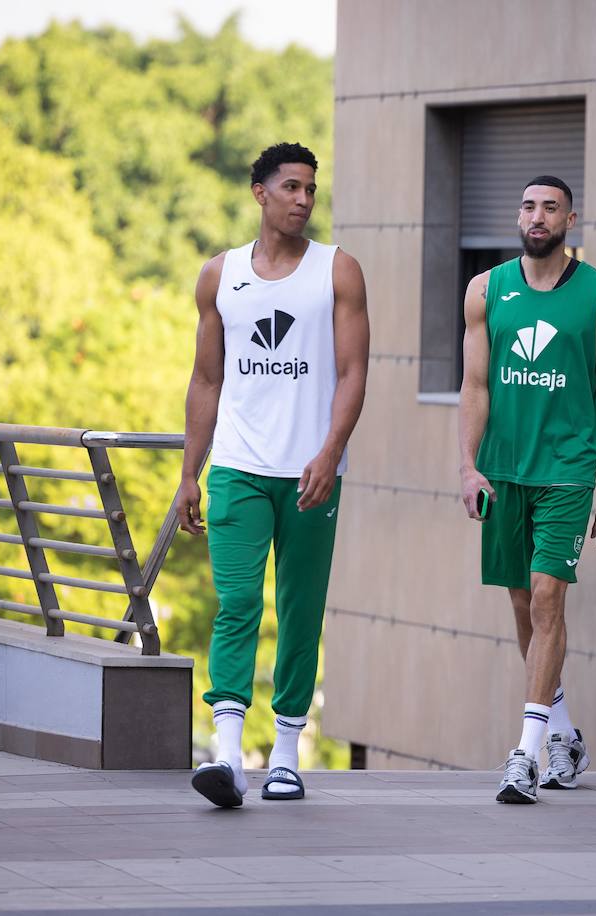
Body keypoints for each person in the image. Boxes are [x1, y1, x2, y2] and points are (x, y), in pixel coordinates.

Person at [177, 142, 370, 808]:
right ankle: (226, 754)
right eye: (290, 187)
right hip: (236, 467)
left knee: (299, 609)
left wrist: (330, 450)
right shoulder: (219, 275)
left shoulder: (338, 272)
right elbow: (206, 379)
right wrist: (188, 475)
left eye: (311, 189)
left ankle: (286, 753)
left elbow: (354, 373)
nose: (303, 200)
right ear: (259, 192)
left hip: (311, 472)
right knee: (237, 606)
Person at [459, 176, 596, 803]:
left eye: (550, 207)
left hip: (567, 469)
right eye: (528, 205)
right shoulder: (485, 289)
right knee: (523, 606)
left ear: (570, 219)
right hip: (504, 471)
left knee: (549, 598)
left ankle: (524, 756)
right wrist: (467, 466)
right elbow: (475, 386)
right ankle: (562, 732)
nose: (537, 216)